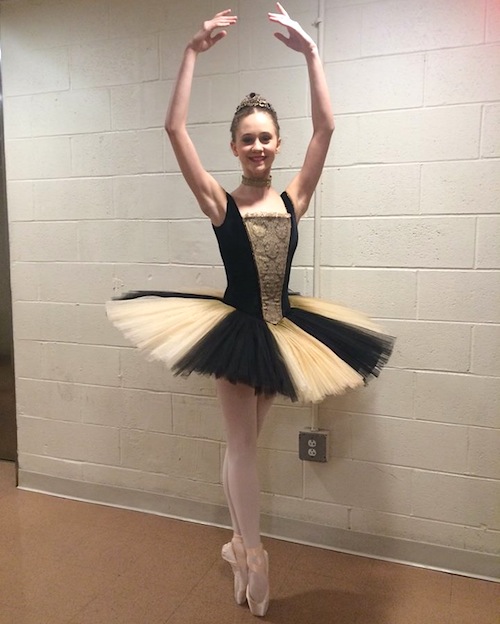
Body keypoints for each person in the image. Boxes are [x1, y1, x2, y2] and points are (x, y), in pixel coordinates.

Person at [107, 3, 394, 617]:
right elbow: (173, 131)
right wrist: (190, 52)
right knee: (242, 450)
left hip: (285, 329)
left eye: (266, 137)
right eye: (247, 138)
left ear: (277, 143)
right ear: (234, 147)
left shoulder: (295, 198)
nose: (258, 146)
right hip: (237, 331)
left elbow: (326, 130)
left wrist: (313, 55)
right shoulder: (220, 202)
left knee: (242, 447)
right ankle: (257, 557)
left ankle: (239, 547)